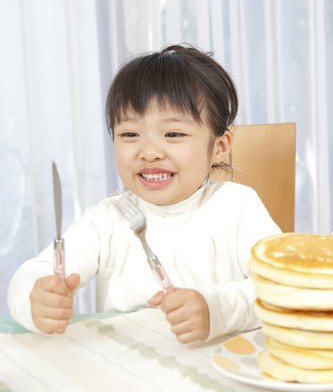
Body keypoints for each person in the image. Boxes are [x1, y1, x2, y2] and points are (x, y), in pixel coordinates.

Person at [8, 45, 281, 343]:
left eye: (173, 134)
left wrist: (215, 309)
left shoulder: (237, 207)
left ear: (219, 147)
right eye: (130, 134)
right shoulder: (108, 220)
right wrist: (35, 300)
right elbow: (32, 273)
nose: (149, 152)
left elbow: (280, 286)